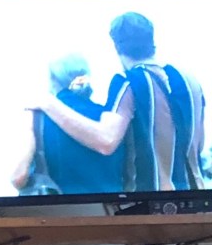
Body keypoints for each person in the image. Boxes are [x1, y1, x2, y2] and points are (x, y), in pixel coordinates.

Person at [31, 12, 205, 192]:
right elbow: (199, 143)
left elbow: (106, 140)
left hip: (151, 198)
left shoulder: (128, 82)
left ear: (116, 46)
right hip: (197, 196)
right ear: (151, 39)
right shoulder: (191, 81)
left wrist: (48, 104)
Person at [12, 53, 125, 195]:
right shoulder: (109, 119)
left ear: (52, 80)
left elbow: (19, 177)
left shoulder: (37, 119)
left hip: (62, 206)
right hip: (110, 205)